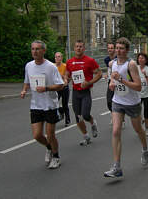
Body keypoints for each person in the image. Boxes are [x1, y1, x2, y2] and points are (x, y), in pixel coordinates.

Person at [104, 37, 148, 178]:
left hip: (132, 103)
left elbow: (138, 86)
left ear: (127, 50)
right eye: (117, 48)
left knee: (138, 130)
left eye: (121, 48)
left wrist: (121, 80)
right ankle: (117, 167)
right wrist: (111, 83)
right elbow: (112, 78)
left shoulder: (131, 65)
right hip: (117, 101)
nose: (118, 50)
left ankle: (145, 149)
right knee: (116, 131)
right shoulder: (112, 63)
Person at [21, 40, 64, 169]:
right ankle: (49, 148)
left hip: (50, 105)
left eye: (38, 49)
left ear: (43, 51)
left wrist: (46, 88)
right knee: (37, 135)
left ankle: (56, 157)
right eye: (33, 49)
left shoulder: (51, 66)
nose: (35, 51)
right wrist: (24, 90)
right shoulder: (29, 66)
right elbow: (27, 82)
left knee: (50, 134)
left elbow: (60, 85)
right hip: (35, 105)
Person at [66, 40, 102, 146]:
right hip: (75, 92)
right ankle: (86, 136)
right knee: (78, 117)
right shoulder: (69, 62)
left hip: (85, 92)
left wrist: (89, 82)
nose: (78, 48)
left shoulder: (90, 61)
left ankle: (92, 122)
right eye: (77, 46)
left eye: (81, 46)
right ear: (74, 48)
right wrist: (66, 80)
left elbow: (99, 74)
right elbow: (67, 75)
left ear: (84, 48)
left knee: (85, 114)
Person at [137, 53, 148, 137]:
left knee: (146, 113)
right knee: (137, 114)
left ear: (146, 60)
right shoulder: (135, 68)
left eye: (142, 58)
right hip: (137, 95)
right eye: (139, 58)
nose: (140, 60)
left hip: (147, 95)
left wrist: (145, 75)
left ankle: (147, 129)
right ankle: (141, 123)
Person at [55, 52, 71, 127]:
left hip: (64, 88)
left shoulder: (65, 66)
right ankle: (61, 112)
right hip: (56, 88)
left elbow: (68, 77)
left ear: (61, 58)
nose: (57, 58)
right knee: (54, 104)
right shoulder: (53, 66)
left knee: (65, 104)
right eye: (56, 57)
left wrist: (65, 79)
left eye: (59, 57)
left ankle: (67, 120)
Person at [104, 42, 116, 123]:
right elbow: (108, 68)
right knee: (109, 101)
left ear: (114, 49)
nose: (110, 50)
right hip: (110, 82)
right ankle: (113, 115)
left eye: (112, 48)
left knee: (118, 101)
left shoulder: (117, 58)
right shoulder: (106, 59)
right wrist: (106, 74)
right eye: (109, 48)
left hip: (119, 82)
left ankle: (120, 118)